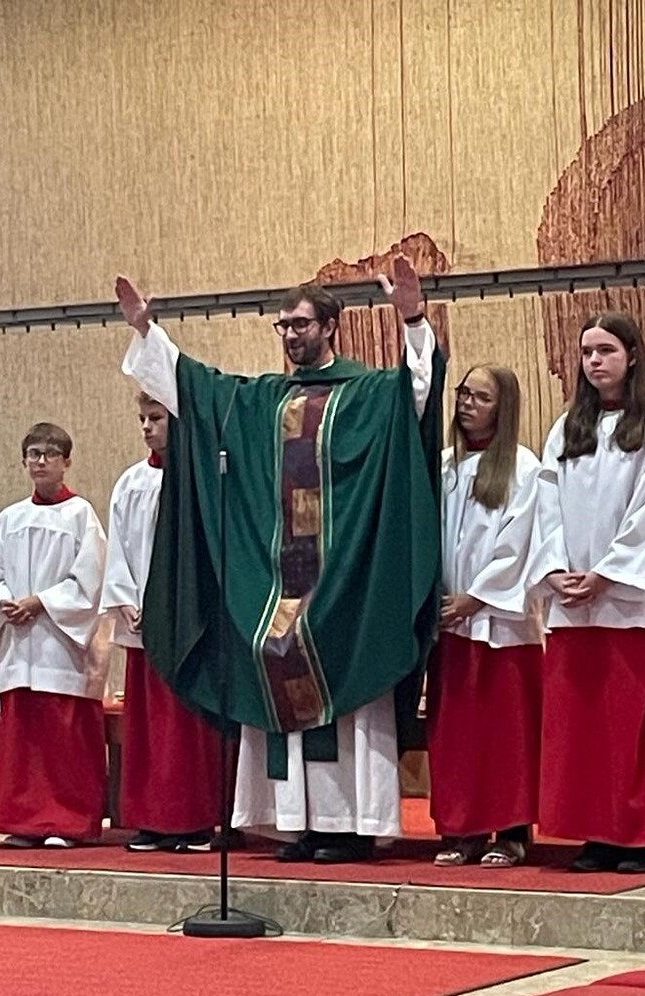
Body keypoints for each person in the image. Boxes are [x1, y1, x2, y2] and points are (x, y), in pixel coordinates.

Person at [115, 257, 444, 864]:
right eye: (283, 325)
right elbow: (196, 388)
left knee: (343, 683)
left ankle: (349, 826)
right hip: (279, 583)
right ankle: (298, 825)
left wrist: (412, 320)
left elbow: (417, 394)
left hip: (345, 585)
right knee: (275, 653)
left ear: (331, 326)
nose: (291, 335)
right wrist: (146, 331)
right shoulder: (262, 401)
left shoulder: (365, 394)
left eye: (301, 324)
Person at [530, 312, 645, 873]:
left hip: (631, 599)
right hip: (573, 600)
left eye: (605, 350)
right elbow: (545, 507)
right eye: (586, 352)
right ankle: (598, 835)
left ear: (632, 355)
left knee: (631, 726)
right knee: (583, 727)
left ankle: (642, 837)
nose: (594, 361)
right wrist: (556, 569)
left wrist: (608, 573)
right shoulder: (567, 428)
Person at [427, 366, 543, 867]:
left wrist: (475, 598)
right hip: (449, 620)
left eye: (481, 397)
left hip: (501, 623)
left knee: (504, 733)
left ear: (503, 407)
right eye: (463, 393)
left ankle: (512, 832)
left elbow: (520, 543)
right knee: (458, 734)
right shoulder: (443, 466)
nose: (466, 403)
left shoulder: (524, 468)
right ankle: (463, 830)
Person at [0, 423, 108, 848]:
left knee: (62, 740)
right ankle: (24, 822)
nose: (41, 461)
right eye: (33, 454)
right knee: (23, 742)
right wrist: (6, 603)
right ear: (23, 461)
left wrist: (41, 602)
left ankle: (67, 822)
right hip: (18, 645)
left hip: (60, 645)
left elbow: (90, 581)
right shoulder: (8, 520)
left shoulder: (81, 516)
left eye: (50, 454)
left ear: (67, 462)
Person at [101, 393, 221, 851]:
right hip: (145, 624)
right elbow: (119, 549)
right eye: (142, 419)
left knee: (188, 727)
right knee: (150, 728)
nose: (147, 427)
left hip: (191, 625)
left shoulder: (202, 478)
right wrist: (126, 600)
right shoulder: (131, 483)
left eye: (156, 418)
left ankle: (194, 821)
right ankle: (152, 819)